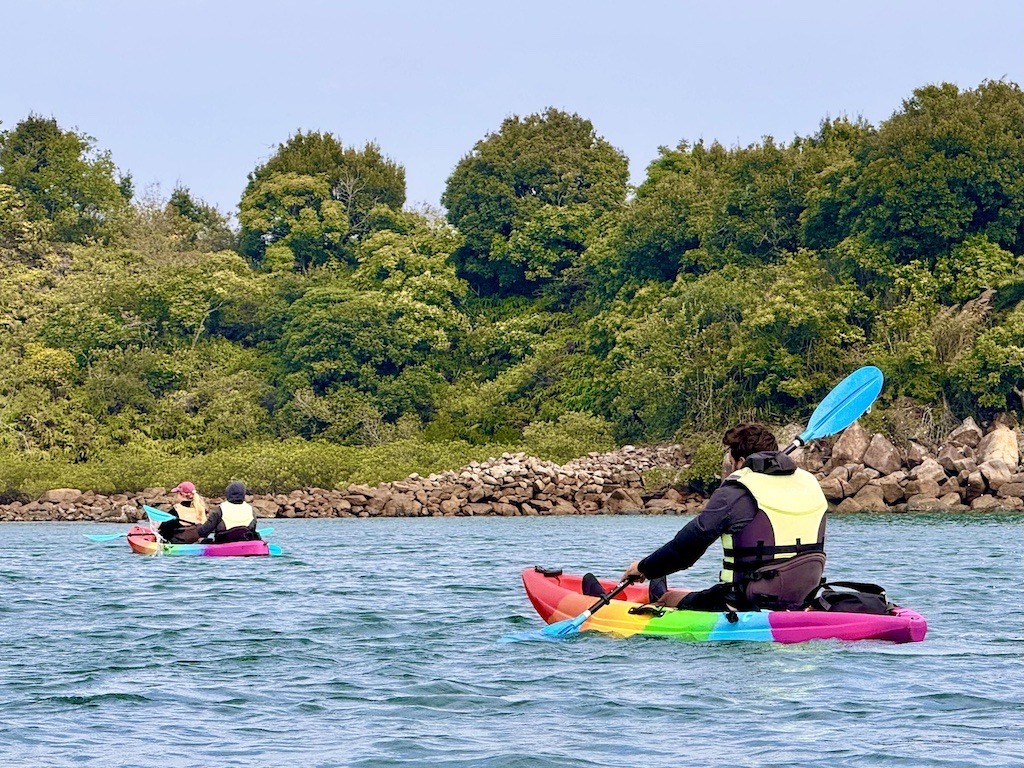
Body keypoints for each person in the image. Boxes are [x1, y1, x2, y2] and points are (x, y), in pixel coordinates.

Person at [596, 423, 828, 612]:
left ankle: (661, 597)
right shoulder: (809, 483)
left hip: (744, 603)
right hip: (801, 599)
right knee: (688, 593)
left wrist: (644, 567)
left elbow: (684, 551)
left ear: (739, 461)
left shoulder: (735, 493)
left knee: (668, 599)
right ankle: (660, 589)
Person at [194, 481, 260, 544]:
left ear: (227, 494)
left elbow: (203, 532)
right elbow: (252, 528)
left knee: (201, 539)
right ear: (243, 494)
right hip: (245, 540)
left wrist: (198, 526)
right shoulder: (251, 510)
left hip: (223, 542)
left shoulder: (219, 510)